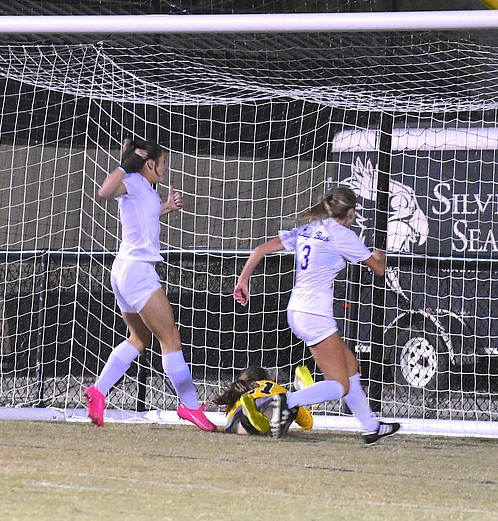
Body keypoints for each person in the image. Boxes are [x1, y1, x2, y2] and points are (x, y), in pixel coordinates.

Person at [233, 186, 400, 445]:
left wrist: (243, 280)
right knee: (340, 385)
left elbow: (260, 250)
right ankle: (287, 400)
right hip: (315, 315)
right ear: (352, 212)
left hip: (297, 309)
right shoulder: (342, 235)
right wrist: (381, 252)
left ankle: (370, 427)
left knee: (350, 366)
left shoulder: (308, 230)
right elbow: (378, 269)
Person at [83, 138, 216, 432]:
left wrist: (165, 207)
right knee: (170, 338)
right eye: (164, 162)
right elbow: (104, 191)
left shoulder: (144, 188)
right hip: (137, 272)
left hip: (124, 270)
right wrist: (126, 164)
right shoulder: (131, 179)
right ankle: (190, 406)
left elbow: (143, 216)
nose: (166, 168)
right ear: (150, 163)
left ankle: (98, 392)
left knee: (139, 339)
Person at [214, 366, 314, 435]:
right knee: (290, 403)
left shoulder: (244, 390)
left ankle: (249, 417)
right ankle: (300, 391)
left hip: (252, 409)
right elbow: (308, 424)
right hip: (277, 403)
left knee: (238, 425)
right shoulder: (278, 388)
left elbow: (231, 418)